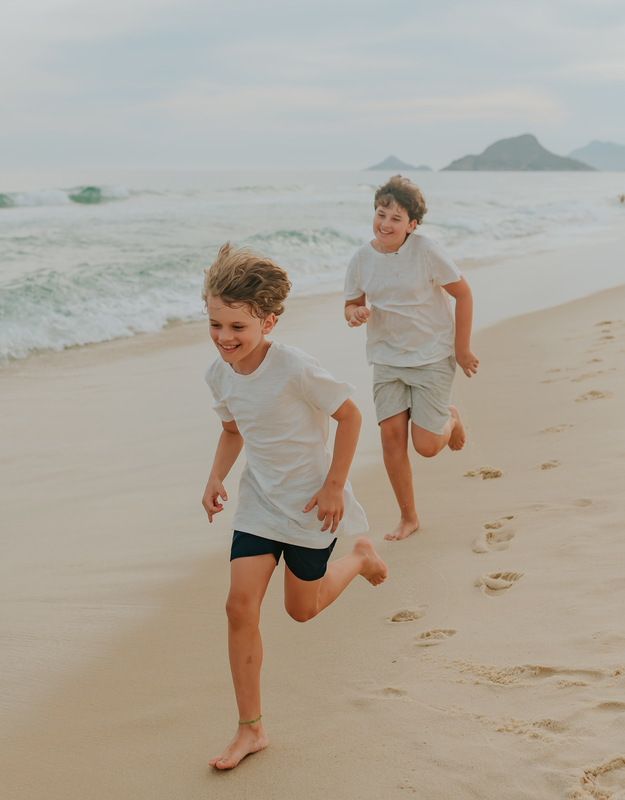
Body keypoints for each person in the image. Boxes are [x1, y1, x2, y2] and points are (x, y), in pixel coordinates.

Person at [201, 243, 388, 771]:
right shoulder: (218, 375)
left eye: (237, 327)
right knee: (239, 607)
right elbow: (233, 430)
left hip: (312, 506)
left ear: (269, 321)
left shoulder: (294, 368)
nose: (224, 338)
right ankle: (250, 730)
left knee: (300, 611)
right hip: (260, 504)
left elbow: (350, 417)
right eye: (215, 324)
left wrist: (335, 486)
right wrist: (216, 475)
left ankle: (361, 558)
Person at [343, 176, 478, 541]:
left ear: (412, 225)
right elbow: (352, 302)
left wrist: (461, 348)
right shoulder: (361, 258)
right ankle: (408, 516)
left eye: (396, 218)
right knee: (390, 437)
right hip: (387, 359)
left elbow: (463, 295)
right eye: (380, 213)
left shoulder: (427, 251)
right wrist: (354, 313)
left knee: (427, 447)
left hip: (432, 356)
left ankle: (451, 420)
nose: (385, 224)